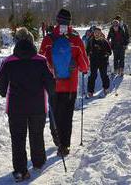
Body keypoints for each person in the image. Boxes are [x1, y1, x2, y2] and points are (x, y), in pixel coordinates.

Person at [0, 27, 55, 182]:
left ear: (16, 41)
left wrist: (4, 92)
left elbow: (0, 83)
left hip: (16, 107)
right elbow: (50, 82)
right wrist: (51, 92)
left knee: (18, 138)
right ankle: (38, 162)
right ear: (31, 41)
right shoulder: (41, 60)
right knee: (37, 134)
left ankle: (21, 170)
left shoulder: (8, 61)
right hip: (37, 106)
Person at [39, 8, 89, 156]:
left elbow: (40, 59)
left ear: (57, 20)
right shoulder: (76, 39)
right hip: (71, 84)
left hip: (53, 83)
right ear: (70, 22)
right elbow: (85, 64)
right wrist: (82, 69)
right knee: (67, 115)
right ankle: (64, 145)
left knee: (55, 112)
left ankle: (57, 137)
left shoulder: (48, 39)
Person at [86, 27, 112, 98]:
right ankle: (90, 91)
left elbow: (110, 52)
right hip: (93, 62)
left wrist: (106, 54)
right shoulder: (90, 41)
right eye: (95, 32)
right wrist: (87, 57)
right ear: (93, 33)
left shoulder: (104, 41)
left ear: (100, 33)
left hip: (103, 61)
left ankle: (106, 89)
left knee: (104, 75)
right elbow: (86, 52)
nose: (97, 34)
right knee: (92, 76)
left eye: (98, 32)